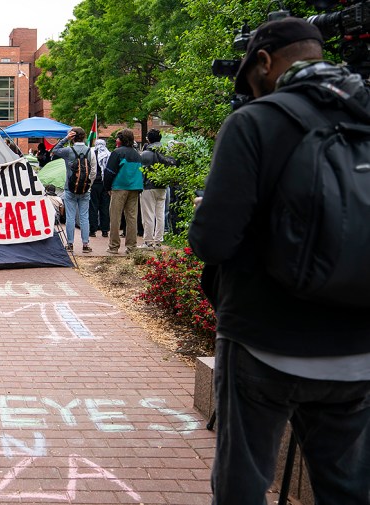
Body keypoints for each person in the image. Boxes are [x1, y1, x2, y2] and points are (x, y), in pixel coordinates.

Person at [188, 17, 370, 504]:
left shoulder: (257, 121)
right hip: (357, 350)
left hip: (265, 340)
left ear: (264, 61)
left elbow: (212, 242)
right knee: (349, 487)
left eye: (249, 78)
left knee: (243, 481)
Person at [52, 127, 97, 253]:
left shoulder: (68, 151)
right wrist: (89, 184)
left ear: (72, 137)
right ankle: (85, 244)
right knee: (84, 217)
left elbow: (54, 150)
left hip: (70, 188)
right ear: (84, 137)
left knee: (70, 217)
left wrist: (65, 139)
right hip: (85, 189)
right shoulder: (90, 151)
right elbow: (93, 171)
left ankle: (70, 244)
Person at [103, 128, 143, 254]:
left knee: (115, 217)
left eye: (117, 137)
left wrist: (107, 187)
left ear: (121, 139)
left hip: (119, 187)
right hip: (135, 187)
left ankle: (114, 246)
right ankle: (132, 247)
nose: (116, 140)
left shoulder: (117, 153)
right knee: (132, 218)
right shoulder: (137, 154)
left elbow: (109, 172)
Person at [139, 129, 169, 248]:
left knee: (148, 215)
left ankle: (148, 241)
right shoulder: (166, 151)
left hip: (148, 187)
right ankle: (158, 240)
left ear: (148, 139)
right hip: (162, 186)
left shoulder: (145, 154)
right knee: (160, 214)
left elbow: (141, 172)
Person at [88, 138, 111, 238]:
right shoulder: (108, 154)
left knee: (93, 207)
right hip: (105, 184)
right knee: (104, 207)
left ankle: (92, 230)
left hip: (94, 183)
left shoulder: (92, 152)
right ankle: (105, 230)